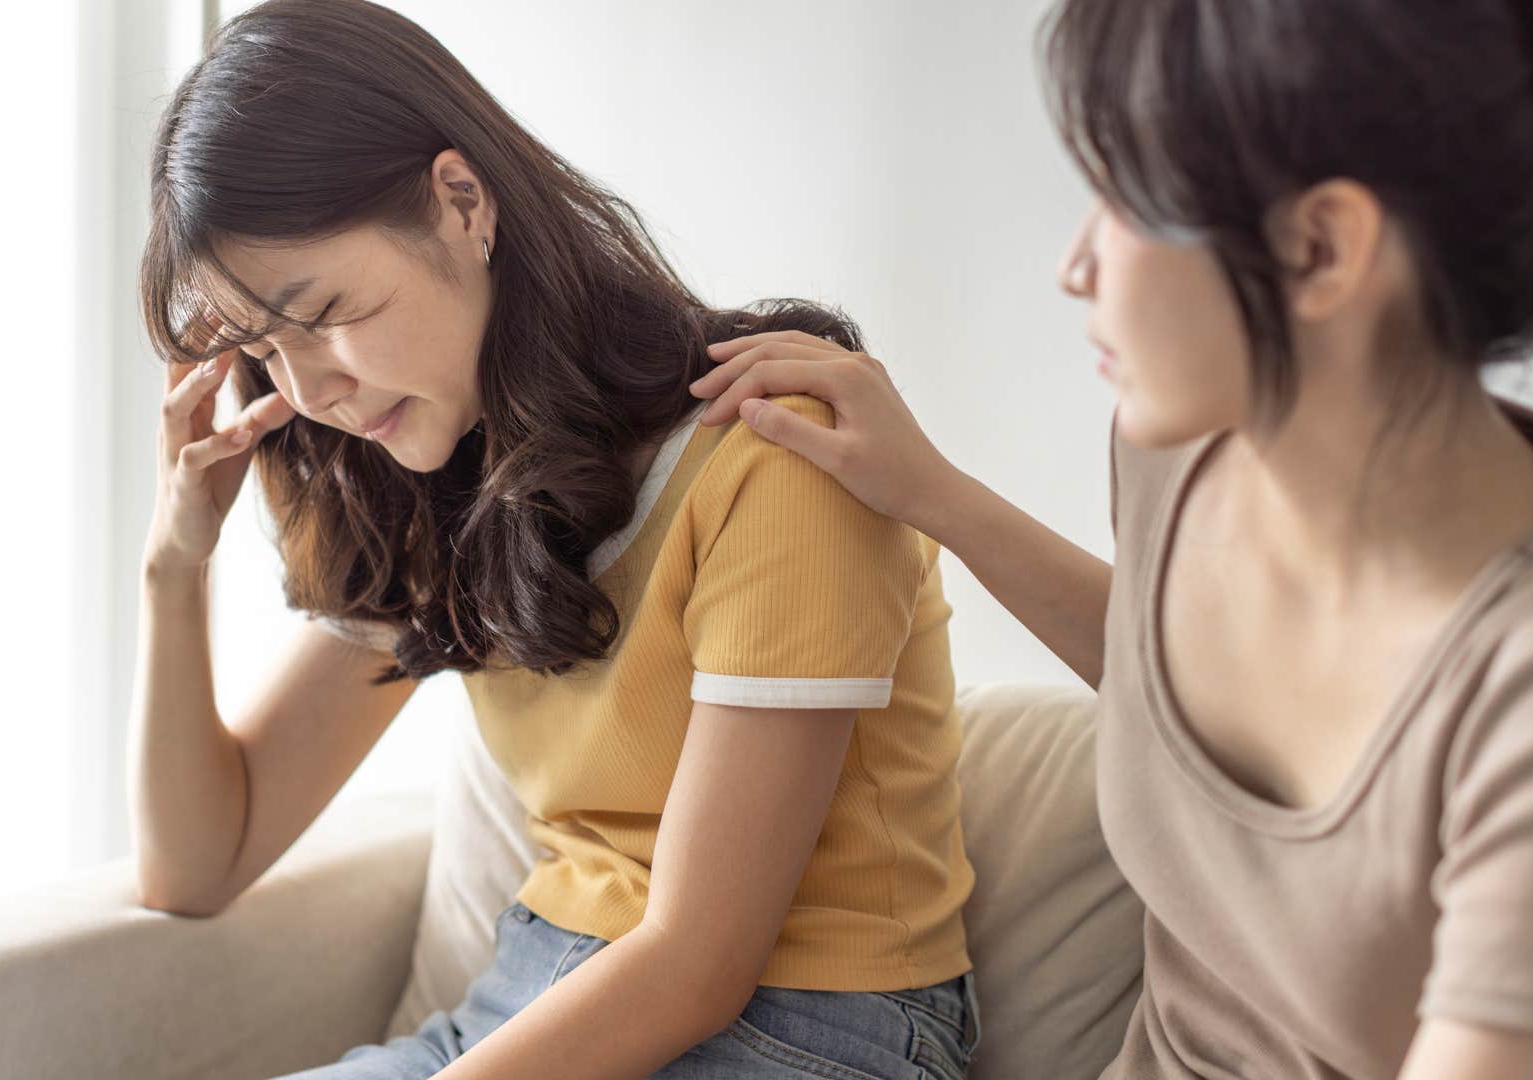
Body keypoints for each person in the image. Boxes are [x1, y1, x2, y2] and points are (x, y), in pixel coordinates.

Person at [690, 0, 1533, 1076]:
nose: (1076, 265)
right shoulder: (1188, 455)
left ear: (1320, 247)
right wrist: (932, 492)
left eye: (1126, 199)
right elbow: (1176, 685)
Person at [127, 1, 981, 1077]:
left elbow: (700, 963)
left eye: (326, 314)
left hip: (809, 1032)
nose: (312, 392)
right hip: (538, 1003)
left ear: (460, 203)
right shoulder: (431, 480)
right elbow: (196, 866)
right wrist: (173, 564)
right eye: (264, 350)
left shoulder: (772, 446)